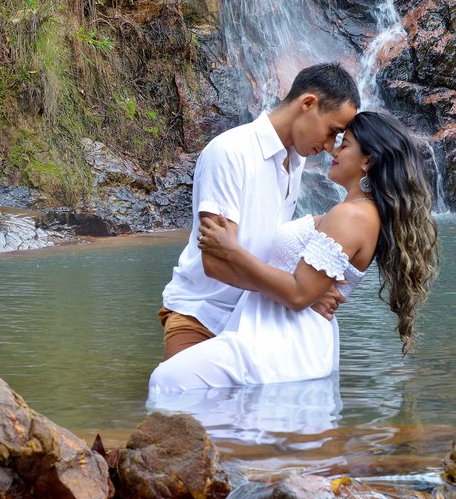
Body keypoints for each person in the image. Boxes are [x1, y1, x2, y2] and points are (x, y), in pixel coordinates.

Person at [148, 110, 440, 394]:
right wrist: (310, 290)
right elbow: (306, 287)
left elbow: (299, 294)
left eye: (344, 145)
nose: (333, 151)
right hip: (280, 332)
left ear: (368, 161)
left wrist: (231, 249)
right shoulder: (355, 213)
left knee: (169, 380)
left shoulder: (352, 216)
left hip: (284, 338)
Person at [158, 63, 360, 360]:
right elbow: (216, 263)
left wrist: (308, 290)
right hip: (202, 316)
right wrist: (298, 294)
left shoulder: (297, 160)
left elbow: (268, 245)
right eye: (332, 132)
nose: (331, 147)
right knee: (182, 404)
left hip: (256, 319)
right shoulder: (230, 152)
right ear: (307, 104)